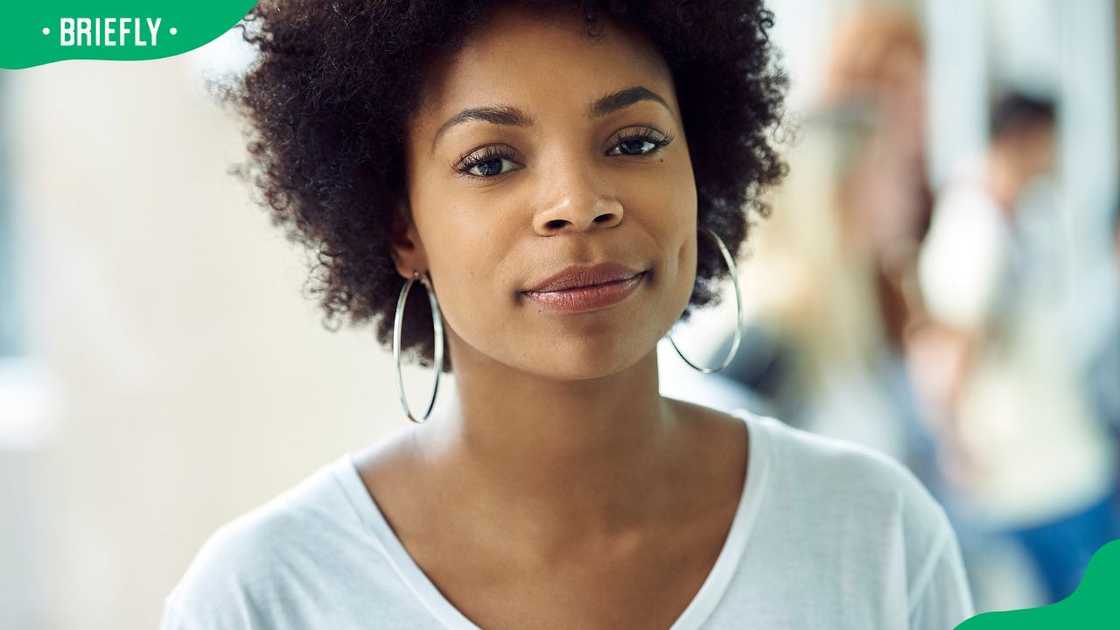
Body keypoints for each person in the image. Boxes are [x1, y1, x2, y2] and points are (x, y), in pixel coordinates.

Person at [160, 2, 973, 628]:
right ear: (402, 227)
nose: (579, 205)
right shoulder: (267, 597)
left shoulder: (876, 537)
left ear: (703, 166)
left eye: (634, 142)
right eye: (492, 161)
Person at [916, 92, 1120, 603]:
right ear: (1025, 140)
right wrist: (956, 447)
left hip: (1063, 454)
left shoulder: (1020, 214)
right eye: (1049, 144)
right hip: (1028, 471)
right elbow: (954, 350)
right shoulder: (972, 229)